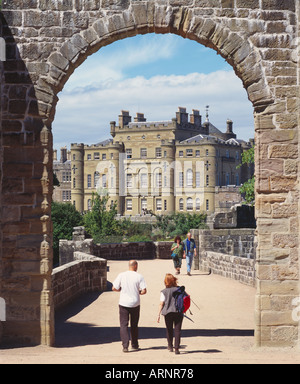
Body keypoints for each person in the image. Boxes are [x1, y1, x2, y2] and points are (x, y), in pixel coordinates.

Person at [112, 260, 147, 353]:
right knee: (134, 325)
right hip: (135, 303)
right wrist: (137, 292)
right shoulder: (139, 276)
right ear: (135, 266)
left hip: (123, 303)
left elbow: (114, 288)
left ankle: (125, 346)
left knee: (123, 325)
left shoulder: (121, 275)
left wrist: (121, 290)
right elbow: (144, 291)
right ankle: (134, 345)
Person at [157, 273, 184, 355]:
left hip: (168, 313)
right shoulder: (179, 289)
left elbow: (161, 303)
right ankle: (177, 348)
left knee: (169, 329)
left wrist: (158, 314)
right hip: (178, 312)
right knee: (177, 330)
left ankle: (170, 346)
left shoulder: (164, 291)